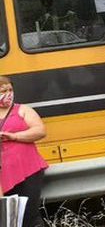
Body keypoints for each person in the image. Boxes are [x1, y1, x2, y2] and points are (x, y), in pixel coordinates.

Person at [0, 76, 48, 227]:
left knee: (29, 216)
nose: (8, 94)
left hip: (28, 170)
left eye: (10, 90)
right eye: (3, 91)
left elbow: (40, 131)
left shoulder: (23, 110)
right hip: (3, 176)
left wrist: (14, 136)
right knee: (9, 219)